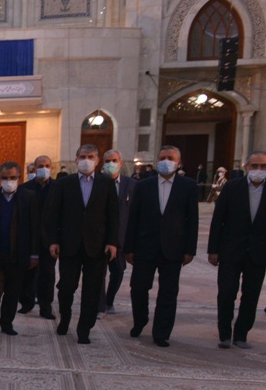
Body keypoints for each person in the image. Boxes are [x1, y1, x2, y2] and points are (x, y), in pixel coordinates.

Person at [125, 145, 199, 347]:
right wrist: (129, 248)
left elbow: (192, 220)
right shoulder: (143, 186)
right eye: (163, 157)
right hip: (145, 245)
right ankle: (140, 320)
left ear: (178, 162)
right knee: (138, 288)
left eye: (171, 158)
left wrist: (189, 250)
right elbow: (133, 218)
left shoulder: (188, 186)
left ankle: (161, 332)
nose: (166, 161)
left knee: (168, 292)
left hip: (173, 248)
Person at [45, 144, 120, 344]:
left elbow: (113, 215)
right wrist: (53, 240)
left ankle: (84, 329)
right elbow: (54, 214)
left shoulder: (106, 183)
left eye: (91, 157)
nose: (87, 160)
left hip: (97, 245)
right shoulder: (64, 183)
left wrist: (112, 242)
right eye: (83, 156)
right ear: (76, 159)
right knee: (66, 287)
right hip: (70, 244)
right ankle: (65, 318)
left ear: (97, 161)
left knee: (92, 290)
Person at [208, 151, 266, 349]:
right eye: (255, 166)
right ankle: (224, 334)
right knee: (226, 293)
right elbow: (218, 219)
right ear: (246, 167)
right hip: (230, 250)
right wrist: (213, 250)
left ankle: (241, 334)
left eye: (263, 166)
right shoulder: (232, 187)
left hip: (258, 253)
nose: (259, 170)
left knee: (251, 295)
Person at [0, 162, 39, 338]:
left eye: (12, 177)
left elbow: (34, 227)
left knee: (12, 293)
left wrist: (34, 254)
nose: (8, 181)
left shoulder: (28, 198)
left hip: (18, 256)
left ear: (19, 177)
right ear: (0, 177)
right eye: (5, 178)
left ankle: (6, 324)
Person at [99, 149, 136, 314]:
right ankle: (100, 305)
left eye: (114, 161)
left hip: (121, 238)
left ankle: (109, 300)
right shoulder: (97, 182)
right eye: (107, 161)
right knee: (99, 274)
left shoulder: (131, 185)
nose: (111, 164)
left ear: (120, 163)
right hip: (100, 238)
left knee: (118, 271)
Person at [20, 154, 56, 317]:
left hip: (49, 239)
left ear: (52, 168)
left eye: (47, 166)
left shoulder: (57, 187)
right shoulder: (25, 188)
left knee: (47, 274)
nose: (44, 169)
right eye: (40, 166)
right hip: (29, 237)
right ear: (34, 168)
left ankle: (45, 306)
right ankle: (26, 302)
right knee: (27, 273)